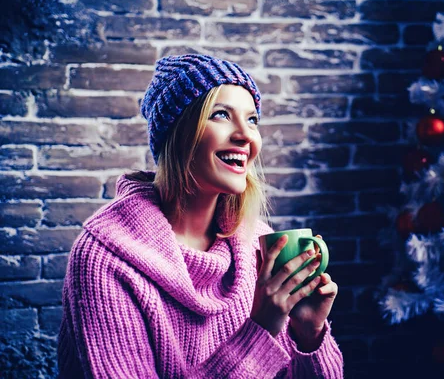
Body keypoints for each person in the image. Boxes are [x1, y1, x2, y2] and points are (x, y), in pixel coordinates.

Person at [57, 54, 344, 378]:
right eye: (221, 115)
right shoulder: (104, 259)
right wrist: (260, 331)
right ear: (177, 134)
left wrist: (307, 334)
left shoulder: (257, 245)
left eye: (252, 120)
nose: (246, 136)